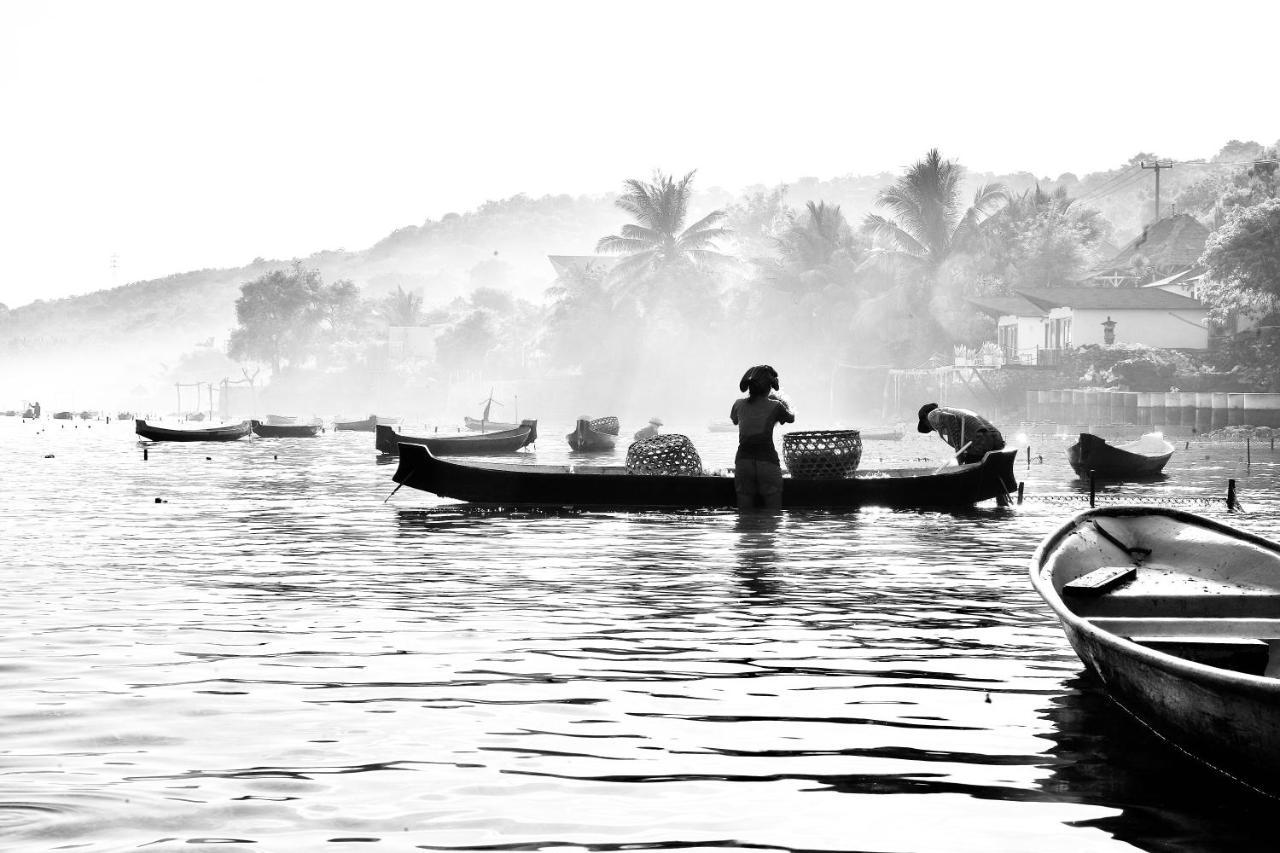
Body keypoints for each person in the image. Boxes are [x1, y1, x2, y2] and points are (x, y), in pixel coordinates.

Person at [730, 364, 795, 511]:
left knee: (744, 516)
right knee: (773, 515)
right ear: (769, 387)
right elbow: (791, 418)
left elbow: (735, 420)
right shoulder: (776, 406)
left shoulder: (738, 404)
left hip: (743, 463)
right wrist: (780, 405)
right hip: (767, 463)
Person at [917, 402, 1004, 464]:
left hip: (981, 439)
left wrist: (958, 450)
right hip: (997, 439)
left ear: (925, 419)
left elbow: (950, 419)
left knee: (969, 470)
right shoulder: (955, 411)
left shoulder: (932, 415)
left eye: (929, 427)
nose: (933, 428)